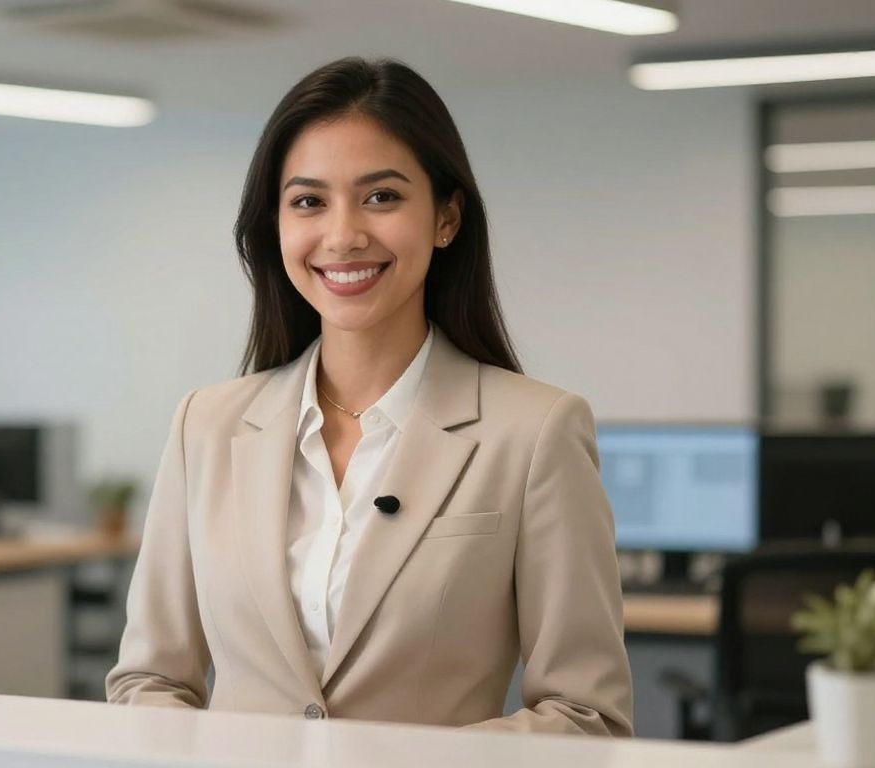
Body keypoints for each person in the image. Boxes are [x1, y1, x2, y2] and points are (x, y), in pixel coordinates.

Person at [106, 56, 633, 735]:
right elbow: (150, 680)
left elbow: (587, 716)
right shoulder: (206, 425)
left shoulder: (535, 432)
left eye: (381, 197)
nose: (344, 234)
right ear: (276, 225)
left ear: (445, 218)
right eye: (308, 201)